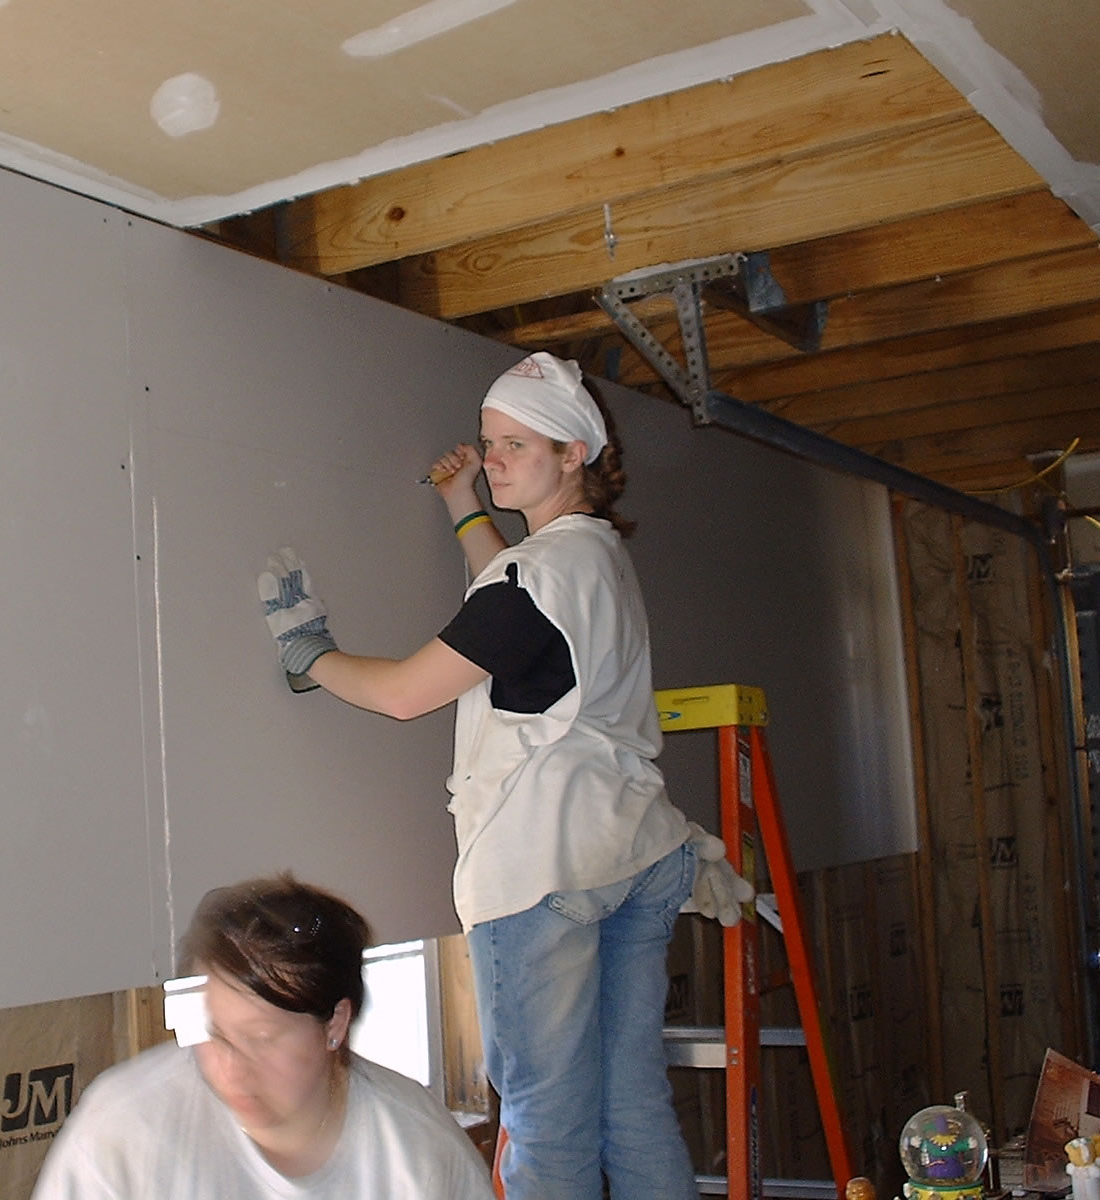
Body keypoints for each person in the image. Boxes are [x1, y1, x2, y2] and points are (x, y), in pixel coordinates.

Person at [256, 353, 744, 1199]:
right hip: (632, 853)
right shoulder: (593, 557)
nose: (494, 458)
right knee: (631, 1105)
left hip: (545, 867)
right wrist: (462, 505)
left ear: (574, 453)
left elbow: (406, 693)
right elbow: (512, 603)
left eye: (518, 444)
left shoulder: (539, 577)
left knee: (546, 1125)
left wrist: (311, 655)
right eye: (489, 442)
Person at [29, 873, 495, 1199]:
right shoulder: (128, 1130)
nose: (232, 1070)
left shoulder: (417, 1153)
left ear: (335, 1023)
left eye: (262, 1037)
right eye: (220, 1035)